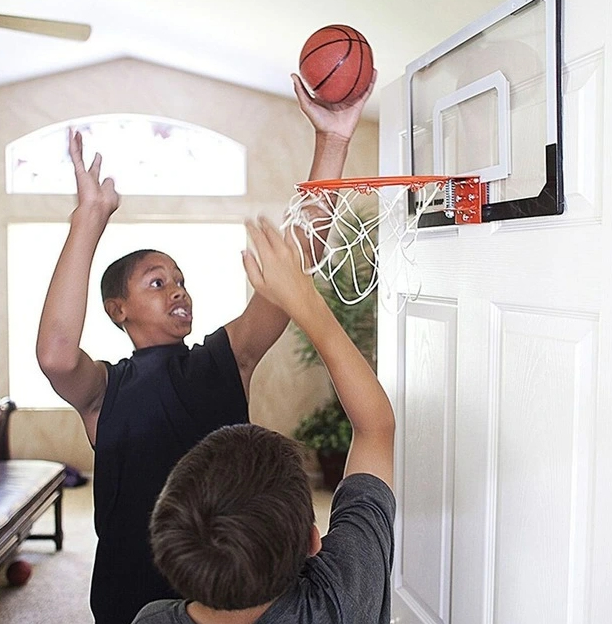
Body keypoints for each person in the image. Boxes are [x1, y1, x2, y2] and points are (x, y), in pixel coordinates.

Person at [36, 73, 376, 624]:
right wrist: (89, 219)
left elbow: (293, 268)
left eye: (180, 279)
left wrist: (331, 143)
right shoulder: (104, 390)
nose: (177, 289)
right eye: (156, 281)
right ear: (116, 309)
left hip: (236, 593)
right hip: (132, 599)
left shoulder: (224, 358)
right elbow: (54, 355)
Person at [131, 216, 396, 624]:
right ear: (313, 540)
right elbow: (375, 428)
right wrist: (305, 301)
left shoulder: (152, 620)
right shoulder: (338, 599)